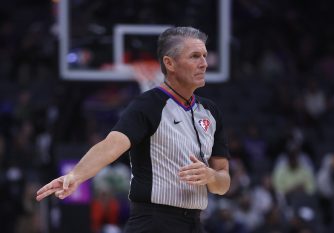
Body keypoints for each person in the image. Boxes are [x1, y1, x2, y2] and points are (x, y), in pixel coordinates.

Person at [36, 26, 231, 233]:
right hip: (154, 222)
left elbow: (223, 183)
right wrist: (76, 175)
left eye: (204, 56)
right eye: (194, 56)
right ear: (169, 63)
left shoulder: (211, 112)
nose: (204, 64)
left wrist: (210, 176)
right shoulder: (148, 105)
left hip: (194, 223)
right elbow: (111, 146)